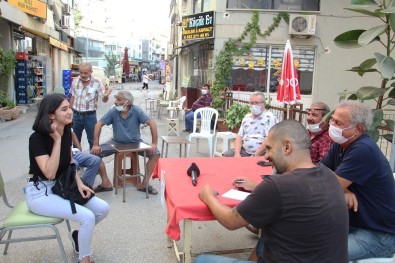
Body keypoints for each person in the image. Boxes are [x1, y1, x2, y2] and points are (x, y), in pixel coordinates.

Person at [195, 120, 348, 263]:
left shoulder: (276, 186)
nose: (266, 156)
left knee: (201, 260)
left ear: (287, 147)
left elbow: (230, 220)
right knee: (265, 239)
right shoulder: (330, 176)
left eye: (269, 148)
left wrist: (208, 196)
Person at [25, 93, 110, 263]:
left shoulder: (65, 132)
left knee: (102, 209)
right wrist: (56, 141)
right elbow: (49, 173)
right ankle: (84, 259)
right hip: (41, 193)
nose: (70, 112)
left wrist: (78, 183)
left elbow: (70, 161)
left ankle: (78, 236)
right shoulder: (37, 139)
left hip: (63, 186)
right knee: (87, 217)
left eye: (69, 107)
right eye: (64, 109)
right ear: (51, 115)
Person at [321, 100, 395, 261]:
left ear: (359, 129)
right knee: (297, 238)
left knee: (322, 256)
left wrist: (338, 185)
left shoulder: (363, 149)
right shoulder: (341, 144)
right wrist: (344, 188)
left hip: (379, 234)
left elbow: (325, 185)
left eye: (338, 123)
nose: (331, 125)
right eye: (332, 120)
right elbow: (320, 171)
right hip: (349, 224)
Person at [91, 90, 160, 195]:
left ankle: (144, 184)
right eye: (116, 99)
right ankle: (106, 183)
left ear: (127, 102)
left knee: (155, 153)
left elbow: (152, 123)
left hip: (136, 142)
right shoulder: (114, 111)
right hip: (116, 142)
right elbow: (98, 124)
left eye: (118, 99)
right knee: (94, 154)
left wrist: (154, 143)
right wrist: (95, 144)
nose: (115, 102)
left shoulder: (136, 111)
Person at [69, 62, 112, 149]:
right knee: (75, 142)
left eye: (85, 73)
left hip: (90, 117)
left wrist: (106, 96)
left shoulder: (97, 83)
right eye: (81, 72)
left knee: (93, 142)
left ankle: (92, 161)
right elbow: (72, 97)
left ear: (90, 72)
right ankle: (77, 161)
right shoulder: (75, 81)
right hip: (76, 116)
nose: (83, 75)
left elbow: (104, 99)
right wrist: (69, 112)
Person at [223, 92, 276, 157]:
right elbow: (239, 136)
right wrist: (237, 153)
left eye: (256, 103)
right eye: (251, 103)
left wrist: (254, 155)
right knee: (226, 156)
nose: (254, 105)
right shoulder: (247, 117)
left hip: (262, 153)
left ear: (264, 104)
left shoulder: (269, 118)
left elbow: (268, 140)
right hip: (245, 151)